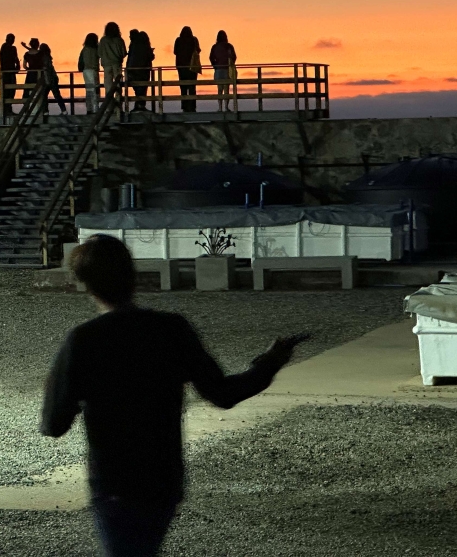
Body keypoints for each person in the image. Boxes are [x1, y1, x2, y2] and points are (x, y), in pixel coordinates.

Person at [42, 235, 307, 557]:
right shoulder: (171, 329)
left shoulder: (83, 341)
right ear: (132, 276)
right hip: (163, 478)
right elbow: (223, 394)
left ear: (85, 283)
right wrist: (270, 362)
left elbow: (53, 424)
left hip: (116, 481)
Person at [173, 26, 202, 113]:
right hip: (192, 66)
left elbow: (175, 51)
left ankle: (184, 107)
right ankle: (192, 107)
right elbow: (198, 50)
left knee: (183, 87)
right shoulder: (194, 39)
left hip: (181, 67)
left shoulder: (178, 40)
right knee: (192, 87)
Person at [126, 29, 155, 112]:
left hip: (133, 70)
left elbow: (130, 58)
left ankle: (138, 106)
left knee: (137, 89)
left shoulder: (133, 45)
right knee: (142, 88)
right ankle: (140, 106)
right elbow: (150, 57)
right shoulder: (145, 45)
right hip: (143, 70)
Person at [208, 30, 237, 113]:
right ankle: (226, 107)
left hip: (218, 69)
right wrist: (230, 65)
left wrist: (215, 66)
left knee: (219, 90)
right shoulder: (229, 46)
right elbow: (234, 57)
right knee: (226, 89)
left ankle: (220, 108)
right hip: (227, 69)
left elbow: (211, 57)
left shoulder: (215, 47)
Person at [39, 42, 68, 114]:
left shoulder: (43, 57)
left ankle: (46, 111)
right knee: (57, 95)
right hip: (53, 78)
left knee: (44, 95)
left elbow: (45, 69)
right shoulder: (48, 56)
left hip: (48, 78)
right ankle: (63, 110)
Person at [98, 22, 127, 91]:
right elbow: (124, 53)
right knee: (118, 81)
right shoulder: (119, 40)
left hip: (106, 64)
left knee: (108, 82)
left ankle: (109, 97)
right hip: (116, 64)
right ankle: (118, 97)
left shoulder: (103, 40)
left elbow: (99, 53)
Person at [77, 32, 101, 114]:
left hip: (86, 71)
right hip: (94, 70)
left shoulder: (84, 49)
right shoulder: (96, 49)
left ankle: (89, 108)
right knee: (96, 90)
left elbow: (80, 61)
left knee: (89, 90)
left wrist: (80, 69)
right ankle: (95, 108)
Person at [0, 33, 21, 116]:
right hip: (8, 72)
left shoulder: (5, 47)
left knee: (9, 91)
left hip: (8, 72)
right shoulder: (8, 48)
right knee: (9, 91)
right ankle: (7, 109)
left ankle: (8, 109)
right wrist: (17, 66)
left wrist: (17, 65)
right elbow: (15, 58)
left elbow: (15, 58)